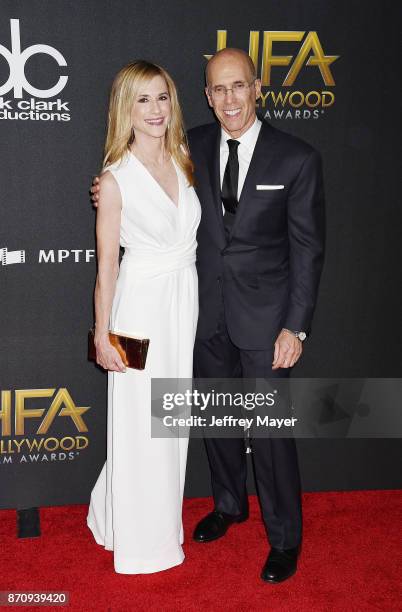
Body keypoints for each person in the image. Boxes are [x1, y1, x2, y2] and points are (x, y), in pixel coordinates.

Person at [91, 48, 325, 584]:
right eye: (218, 90)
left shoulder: (296, 158)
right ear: (205, 96)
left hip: (265, 320)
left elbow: (309, 249)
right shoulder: (186, 144)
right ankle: (228, 504)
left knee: (268, 430)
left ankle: (284, 538)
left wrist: (297, 325)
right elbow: (128, 186)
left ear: (258, 87)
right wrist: (108, 191)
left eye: (238, 86)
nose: (229, 99)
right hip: (192, 314)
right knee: (212, 420)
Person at [87, 60, 201, 574]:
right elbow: (107, 267)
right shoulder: (114, 181)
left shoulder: (183, 158)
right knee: (140, 424)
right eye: (143, 100)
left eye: (163, 97)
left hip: (182, 305)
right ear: (125, 109)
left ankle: (122, 515)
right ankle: (142, 540)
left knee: (169, 420)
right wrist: (101, 333)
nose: (156, 110)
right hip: (137, 312)